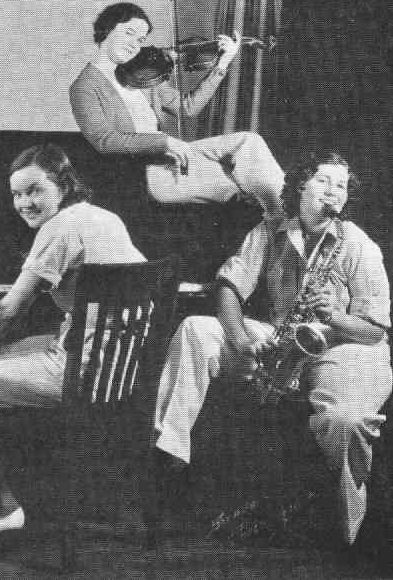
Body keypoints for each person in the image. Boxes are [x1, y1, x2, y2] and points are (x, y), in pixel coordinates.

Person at [153, 152, 391, 545]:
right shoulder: (270, 231)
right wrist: (241, 339)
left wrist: (333, 316)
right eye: (323, 181)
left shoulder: (358, 245)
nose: (333, 192)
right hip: (286, 336)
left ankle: (347, 517)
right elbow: (229, 287)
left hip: (346, 345)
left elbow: (375, 330)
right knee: (196, 328)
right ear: (299, 186)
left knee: (345, 420)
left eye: (341, 186)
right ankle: (170, 450)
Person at [0, 144, 146, 543]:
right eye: (17, 194)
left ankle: (3, 508)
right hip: (122, 365)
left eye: (35, 190)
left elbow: (9, 310)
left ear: (63, 184)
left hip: (84, 371)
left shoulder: (60, 228)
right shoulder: (105, 217)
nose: (24, 203)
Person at [69, 2, 284, 217]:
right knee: (243, 182)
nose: (135, 45)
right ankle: (287, 223)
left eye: (141, 40)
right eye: (129, 33)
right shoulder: (84, 86)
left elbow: (187, 108)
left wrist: (222, 64)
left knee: (250, 141)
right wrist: (165, 141)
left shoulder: (142, 73)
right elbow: (105, 140)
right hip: (143, 171)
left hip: (168, 156)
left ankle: (288, 215)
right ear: (107, 29)